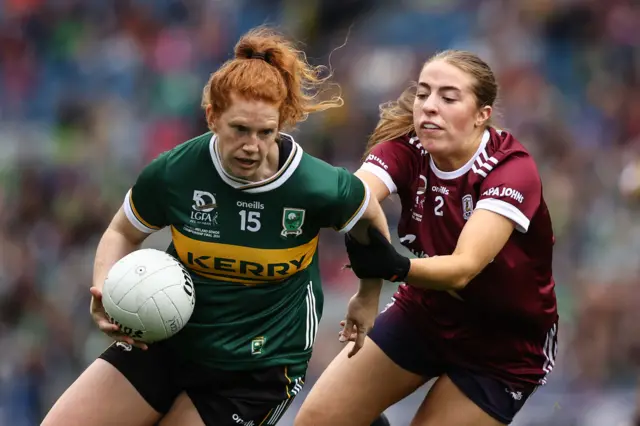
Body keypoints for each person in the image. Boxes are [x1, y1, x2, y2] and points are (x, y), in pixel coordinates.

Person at [42, 26, 391, 426]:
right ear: (212, 117)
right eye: (239, 129)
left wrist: (367, 295)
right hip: (167, 341)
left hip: (256, 371)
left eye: (266, 133)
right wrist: (104, 286)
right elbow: (122, 231)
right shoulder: (176, 172)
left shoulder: (316, 184)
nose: (252, 146)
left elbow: (368, 219)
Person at [295, 50, 559, 426]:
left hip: (503, 348)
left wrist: (394, 268)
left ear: (482, 115)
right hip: (425, 315)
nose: (429, 107)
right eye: (423, 94)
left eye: (448, 98)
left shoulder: (512, 170)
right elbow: (356, 203)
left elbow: (463, 269)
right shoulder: (405, 149)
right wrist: (368, 292)